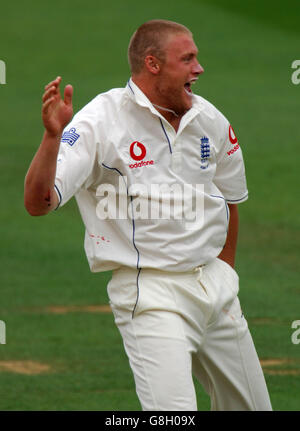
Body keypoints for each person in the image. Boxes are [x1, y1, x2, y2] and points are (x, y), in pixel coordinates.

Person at [24, 19, 272, 411]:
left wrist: (226, 274)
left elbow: (229, 200)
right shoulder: (100, 121)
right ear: (153, 64)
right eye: (187, 59)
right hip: (151, 295)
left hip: (215, 287)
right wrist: (53, 137)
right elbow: (39, 202)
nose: (199, 68)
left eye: (197, 58)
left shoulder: (210, 120)